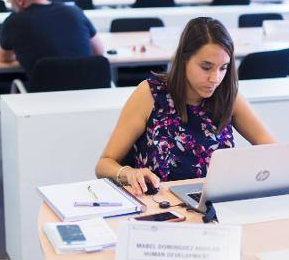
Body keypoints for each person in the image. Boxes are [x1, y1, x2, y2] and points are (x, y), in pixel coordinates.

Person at [95, 17, 276, 194]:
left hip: (214, 202)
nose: (215, 78)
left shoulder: (228, 95)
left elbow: (274, 150)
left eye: (223, 68)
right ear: (184, 59)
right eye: (206, 67)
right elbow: (103, 165)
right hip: (160, 204)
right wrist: (128, 173)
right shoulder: (150, 94)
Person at [0, 0, 105, 75]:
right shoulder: (74, 12)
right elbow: (99, 51)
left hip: (45, 86)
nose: (9, 2)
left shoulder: (13, 22)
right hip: (87, 85)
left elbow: (4, 58)